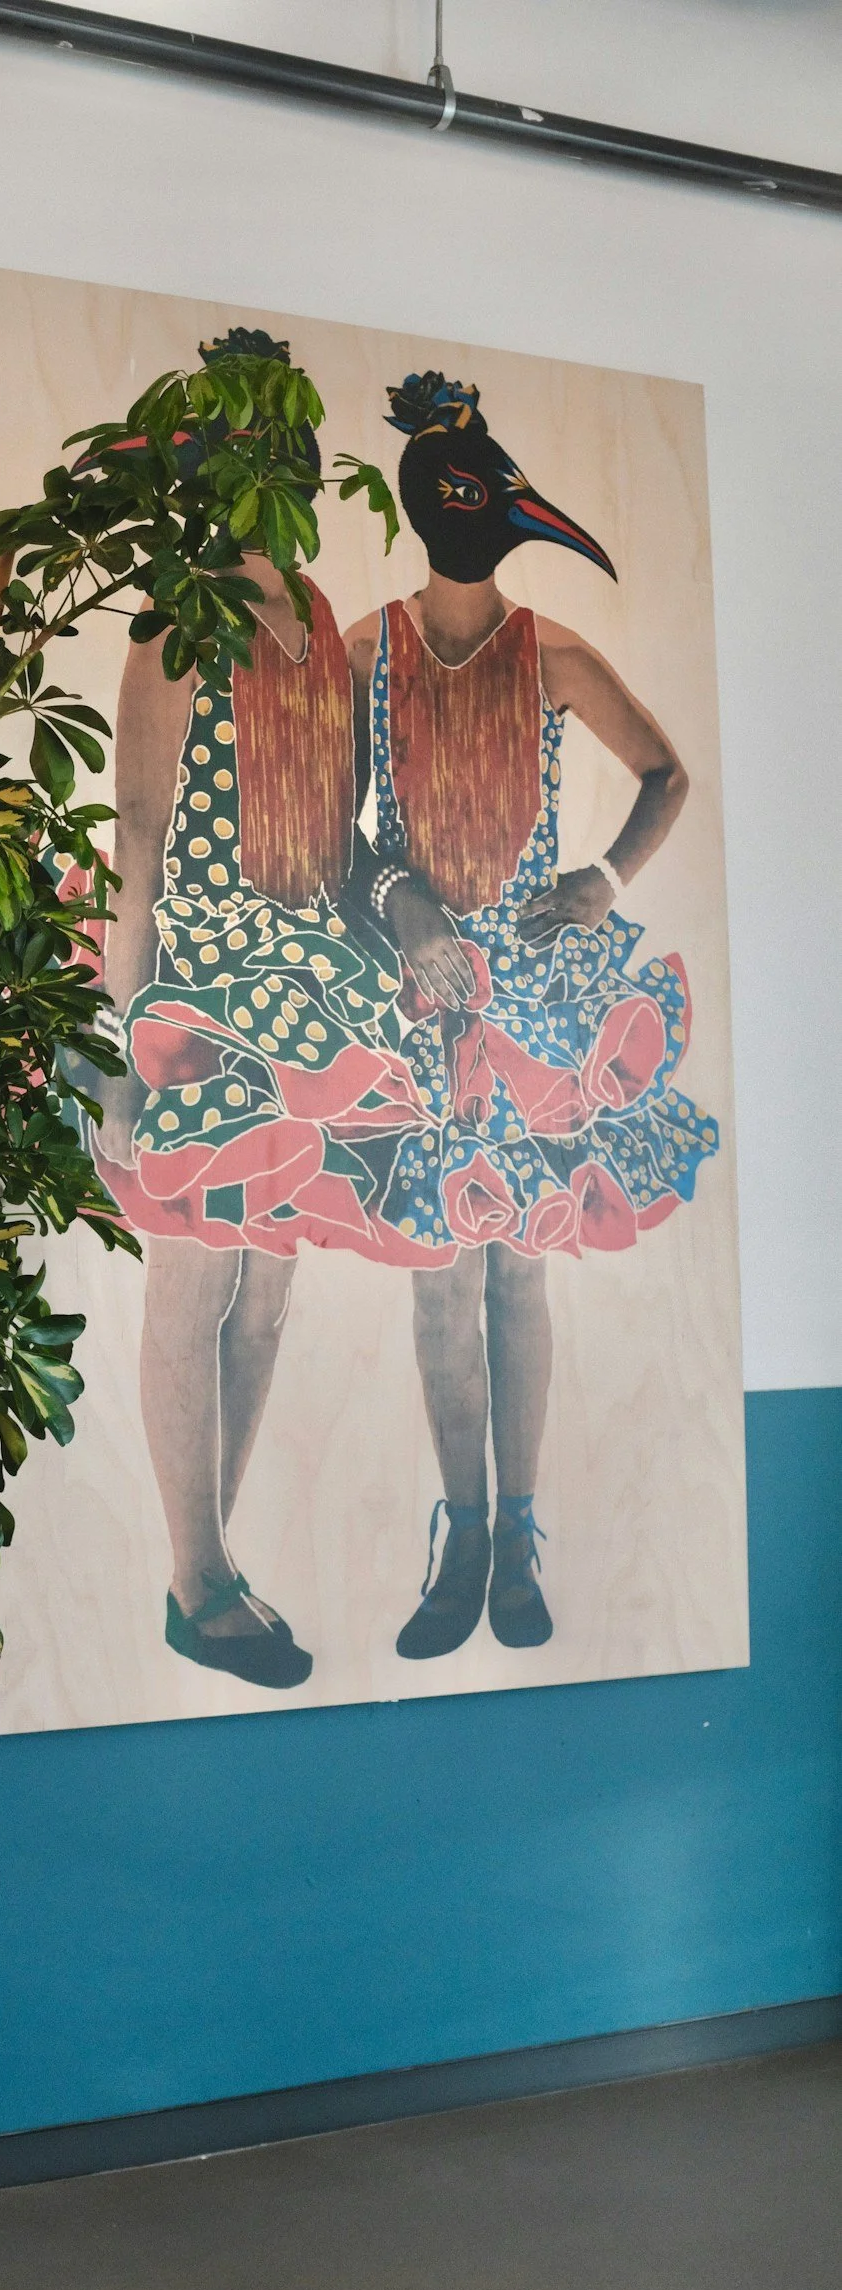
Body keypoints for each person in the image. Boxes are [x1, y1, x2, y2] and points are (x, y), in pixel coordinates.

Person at [340, 372, 719, 1659]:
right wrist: (396, 900)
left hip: (536, 998)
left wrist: (602, 877)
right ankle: (461, 1535)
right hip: (418, 995)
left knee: (517, 1271)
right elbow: (331, 829)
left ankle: (515, 1530)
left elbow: (664, 774)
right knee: (439, 1286)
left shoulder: (550, 655)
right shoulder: (366, 653)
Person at [92, 343, 420, 1688]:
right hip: (204, 978)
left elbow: (338, 829)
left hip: (307, 977)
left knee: (269, 1287)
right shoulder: (175, 624)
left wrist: (399, 919)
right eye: (244, 447)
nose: (275, 467)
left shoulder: (314, 616)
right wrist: (123, 1048)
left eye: (285, 442)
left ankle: (207, 1562)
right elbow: (138, 838)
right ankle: (196, 1576)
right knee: (197, 1272)